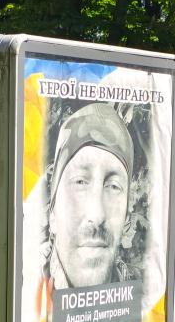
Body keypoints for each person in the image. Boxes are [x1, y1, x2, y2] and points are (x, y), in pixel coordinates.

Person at [44, 102, 138, 289]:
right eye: (80, 182)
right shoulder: (26, 292)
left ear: (127, 217)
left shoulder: (145, 295)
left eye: (113, 186)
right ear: (52, 211)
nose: (97, 215)